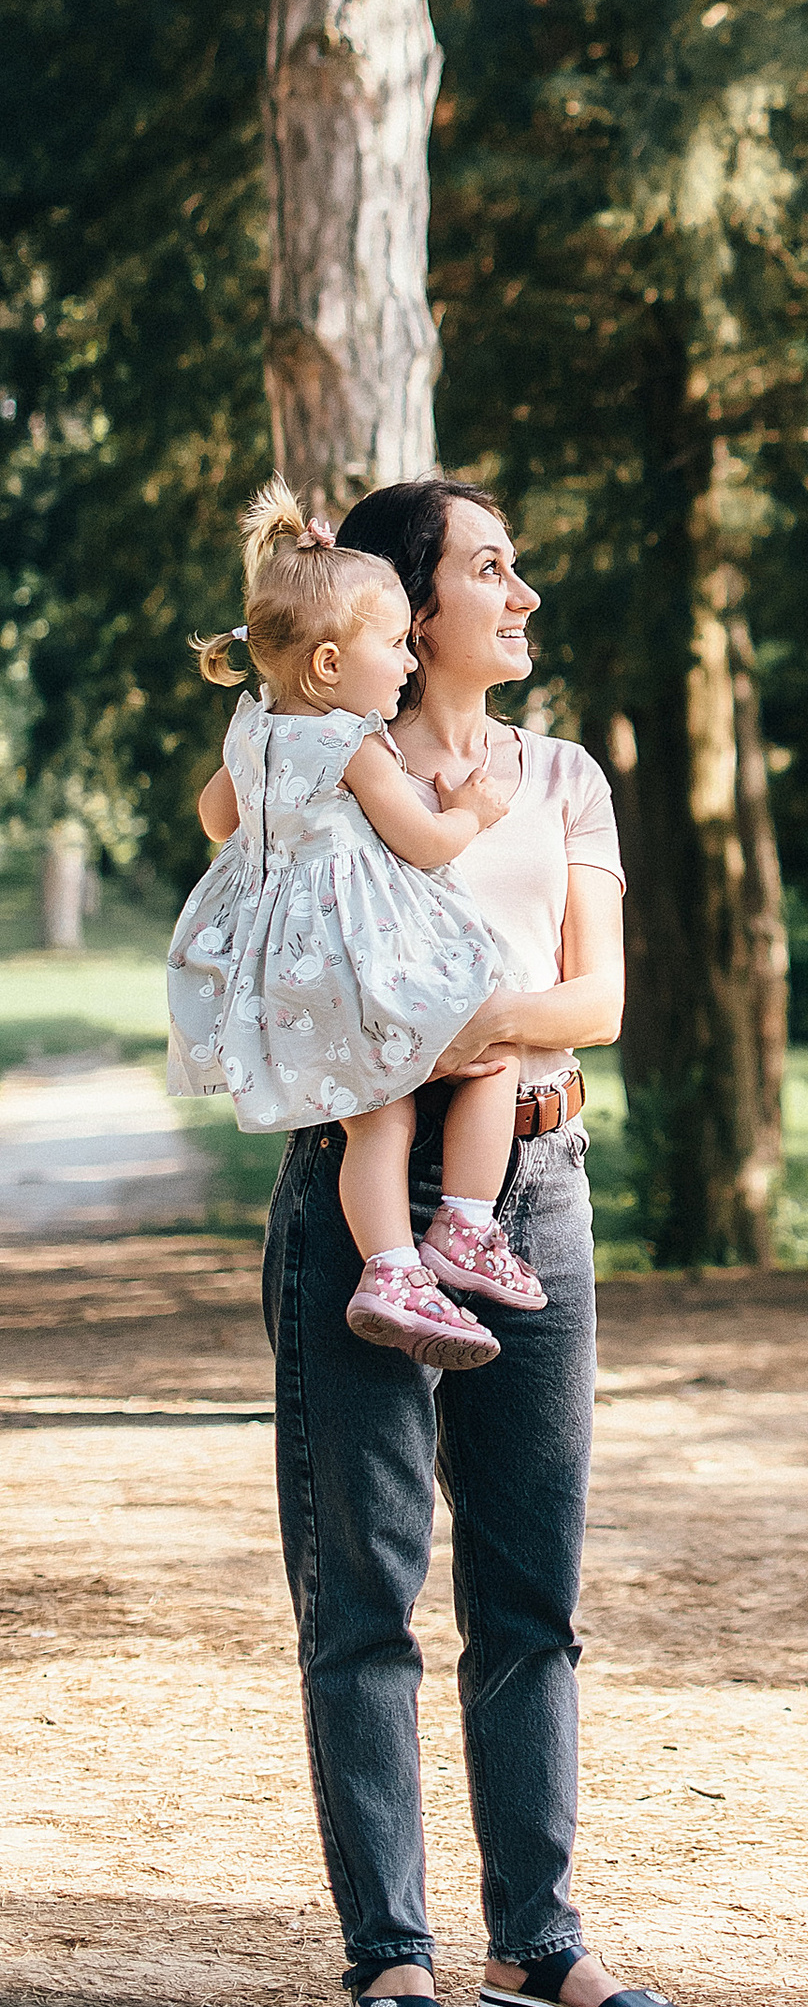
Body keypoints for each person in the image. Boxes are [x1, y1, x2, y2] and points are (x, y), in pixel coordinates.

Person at [243, 470, 689, 2007]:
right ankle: (391, 1953)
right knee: (363, 1591)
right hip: (354, 1197)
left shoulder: (559, 775)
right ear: (409, 608)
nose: (525, 593)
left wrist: (437, 1030)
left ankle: (537, 1945)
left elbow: (597, 1002)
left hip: (530, 1193)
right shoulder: (316, 764)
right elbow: (254, 910)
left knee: (530, 1594)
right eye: (492, 568)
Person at [171, 481, 537, 1371]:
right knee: (494, 1041)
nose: (408, 662)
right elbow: (423, 843)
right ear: (331, 665)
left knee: (378, 1120)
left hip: (280, 963)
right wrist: (474, 811)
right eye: (393, 645)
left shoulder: (252, 729)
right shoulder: (353, 743)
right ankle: (465, 1226)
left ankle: (391, 1268)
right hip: (352, 948)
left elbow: (216, 818)